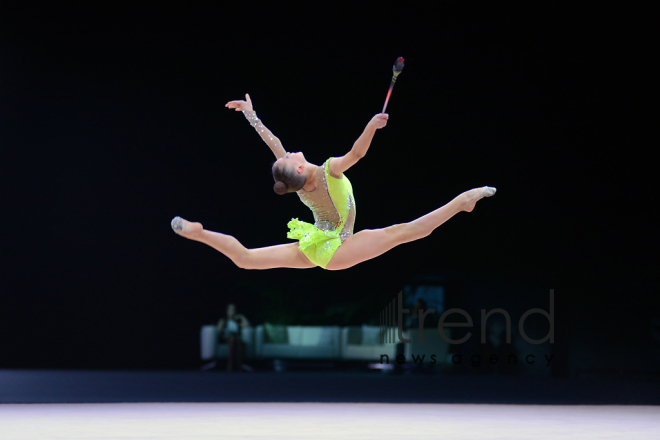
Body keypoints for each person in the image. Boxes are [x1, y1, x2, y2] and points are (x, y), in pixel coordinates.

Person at [171, 93, 496, 270]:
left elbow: (273, 143)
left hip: (317, 245)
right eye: (288, 158)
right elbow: (356, 153)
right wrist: (372, 126)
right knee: (405, 232)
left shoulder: (300, 183)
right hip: (337, 247)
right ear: (297, 170)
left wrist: (250, 115)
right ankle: (463, 201)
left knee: (246, 258)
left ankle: (198, 233)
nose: (289, 152)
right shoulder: (328, 171)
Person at [216, 303, 251, 372]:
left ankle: (238, 364)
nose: (232, 312)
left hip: (236, 338)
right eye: (230, 310)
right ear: (227, 311)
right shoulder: (224, 321)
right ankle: (231, 364)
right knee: (232, 338)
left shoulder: (237, 321)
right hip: (227, 338)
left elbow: (247, 326)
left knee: (237, 339)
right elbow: (219, 332)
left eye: (234, 310)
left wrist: (242, 317)